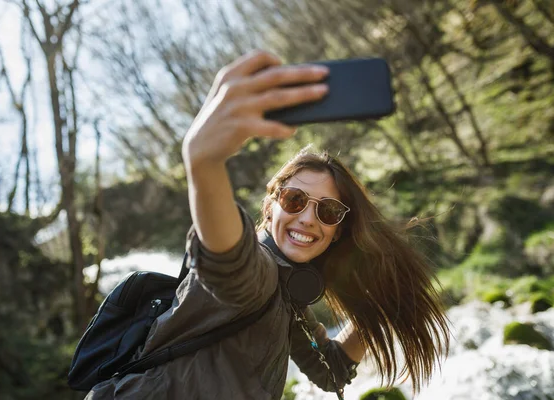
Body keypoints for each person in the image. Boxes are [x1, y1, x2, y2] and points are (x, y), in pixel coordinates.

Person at [86, 51, 450, 400]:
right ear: (271, 206)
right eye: (294, 200)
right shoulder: (255, 271)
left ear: (338, 228)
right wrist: (204, 161)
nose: (308, 217)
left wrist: (380, 301)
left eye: (328, 211)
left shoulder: (289, 296)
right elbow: (228, 258)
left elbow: (332, 370)